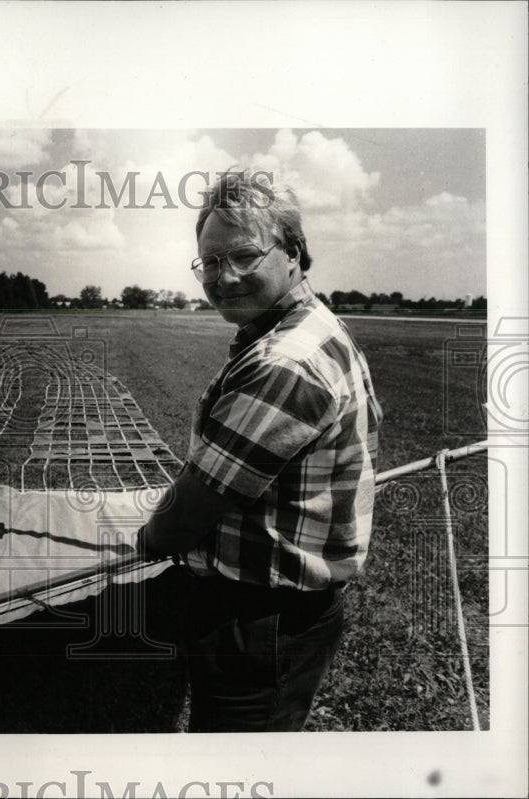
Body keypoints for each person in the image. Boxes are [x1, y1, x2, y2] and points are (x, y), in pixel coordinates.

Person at [135, 169, 383, 732]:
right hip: (285, 613)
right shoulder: (314, 326)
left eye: (244, 255)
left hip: (258, 618)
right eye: (211, 262)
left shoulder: (283, 362)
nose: (225, 277)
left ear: (294, 253)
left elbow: (191, 511)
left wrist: (147, 538)